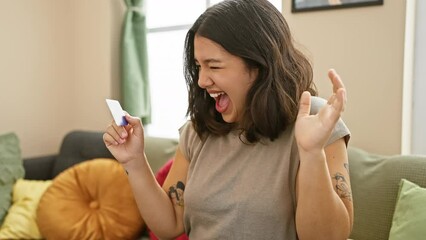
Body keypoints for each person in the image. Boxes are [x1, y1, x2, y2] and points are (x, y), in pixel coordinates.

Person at [103, 0, 353, 239]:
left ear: (259, 65)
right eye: (198, 66)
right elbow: (168, 224)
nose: (201, 81)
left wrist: (311, 153)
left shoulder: (314, 121)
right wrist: (135, 161)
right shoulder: (197, 130)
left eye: (214, 66)